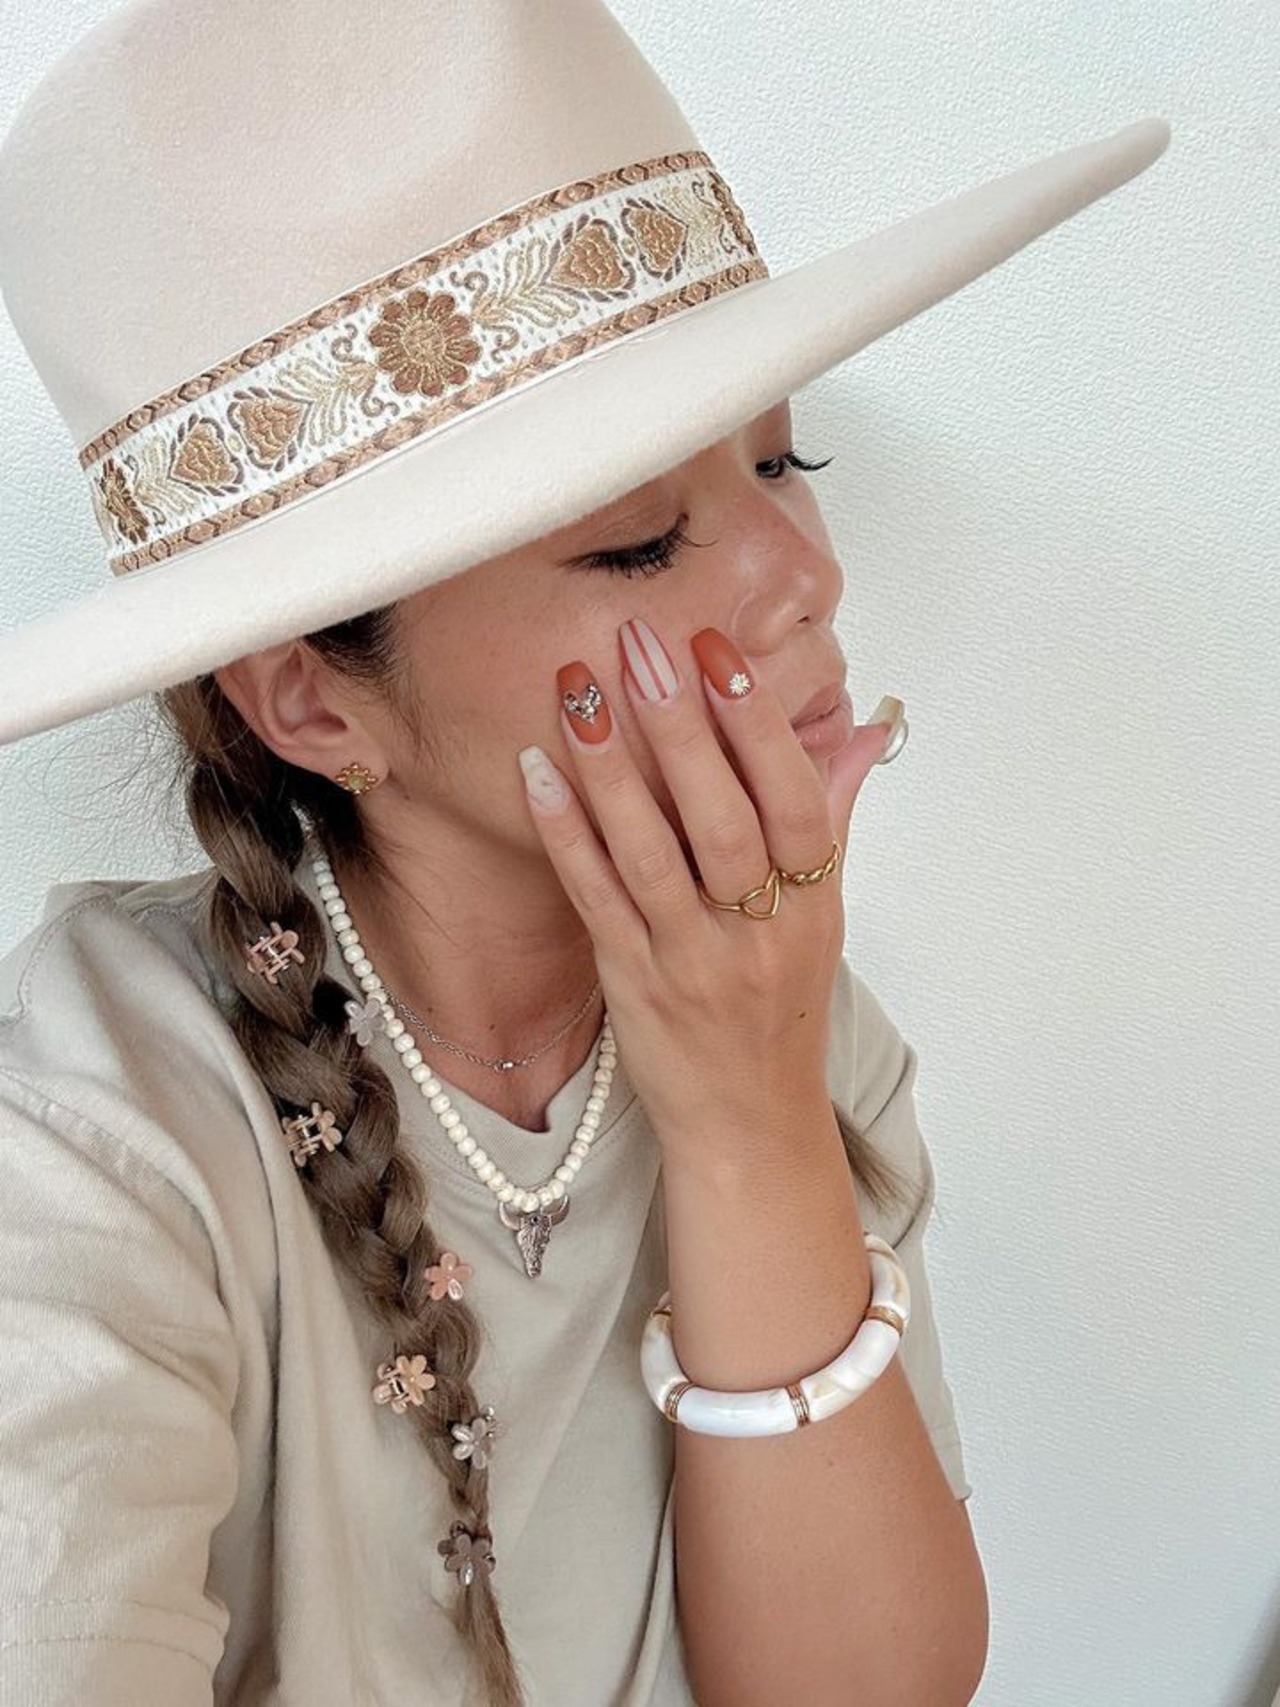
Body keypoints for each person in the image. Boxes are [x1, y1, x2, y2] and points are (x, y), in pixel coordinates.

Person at [0, 1, 1172, 1702]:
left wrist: (752, 1112)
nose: (806, 573)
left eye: (783, 458)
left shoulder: (784, 1007)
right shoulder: (95, 1134)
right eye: (638, 543)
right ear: (313, 702)